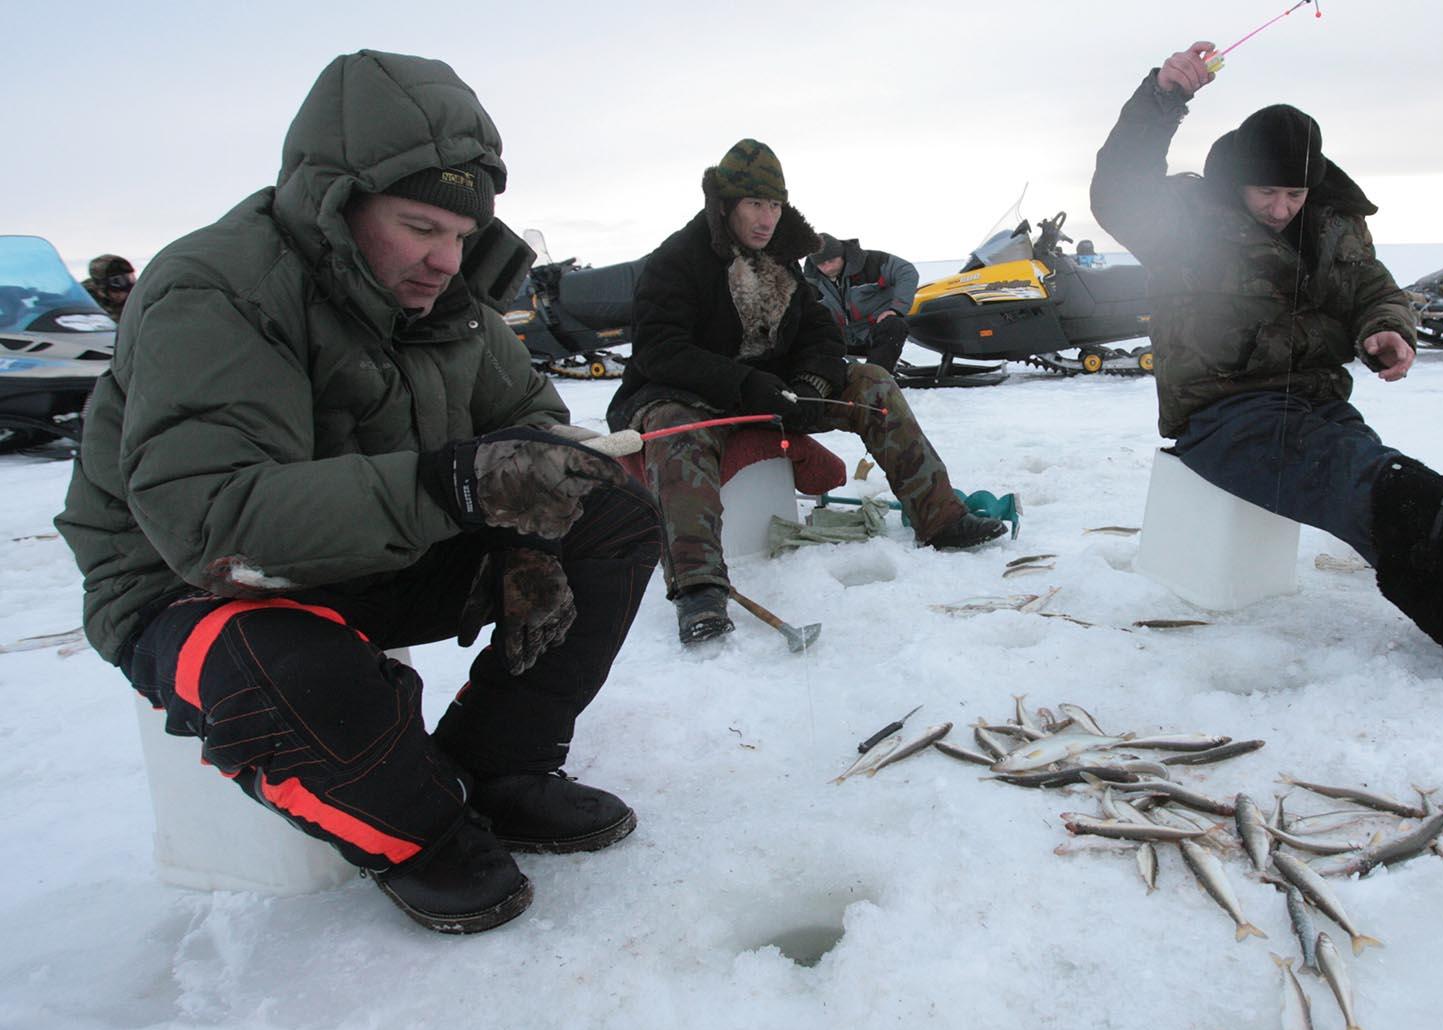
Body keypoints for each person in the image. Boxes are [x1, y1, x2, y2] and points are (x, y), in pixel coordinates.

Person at [54, 50, 662, 935]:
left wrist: (531, 533)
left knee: (608, 516)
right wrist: (455, 487)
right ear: (336, 203)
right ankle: (419, 830)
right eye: (420, 227)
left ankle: (500, 763)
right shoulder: (215, 289)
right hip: (188, 585)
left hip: (376, 554)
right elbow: (213, 523)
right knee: (294, 672)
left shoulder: (450, 299)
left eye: (461, 235)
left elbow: (530, 422)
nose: (445, 260)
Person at [1090, 43, 1443, 699]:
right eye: (1267, 192)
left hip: (1316, 402)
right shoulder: (1184, 220)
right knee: (1364, 480)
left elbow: (1376, 291)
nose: (1281, 208)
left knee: (1380, 498)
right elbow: (1118, 190)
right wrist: (1164, 97)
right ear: (1238, 178)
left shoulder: (1335, 226)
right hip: (1223, 412)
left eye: (1294, 193)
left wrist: (1387, 329)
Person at [608, 139, 1005, 646]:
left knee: (872, 382)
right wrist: (745, 384)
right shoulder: (676, 259)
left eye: (775, 205)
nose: (766, 218)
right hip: (688, 394)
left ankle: (940, 518)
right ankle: (698, 589)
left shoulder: (784, 258)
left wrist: (811, 382)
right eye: (755, 204)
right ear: (725, 204)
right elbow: (659, 350)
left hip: (777, 393)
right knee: (674, 431)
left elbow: (819, 330)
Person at [802, 233, 917, 374]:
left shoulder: (872, 262)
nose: (828, 268)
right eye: (821, 264)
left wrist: (896, 309)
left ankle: (875, 378)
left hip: (874, 333)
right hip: (839, 338)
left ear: (842, 254)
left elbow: (906, 271)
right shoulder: (809, 282)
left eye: (831, 261)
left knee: (894, 324)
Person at [82, 254, 136, 320]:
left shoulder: (135, 299)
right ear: (102, 287)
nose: (128, 289)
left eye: (131, 277)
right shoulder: (84, 303)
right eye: (118, 281)